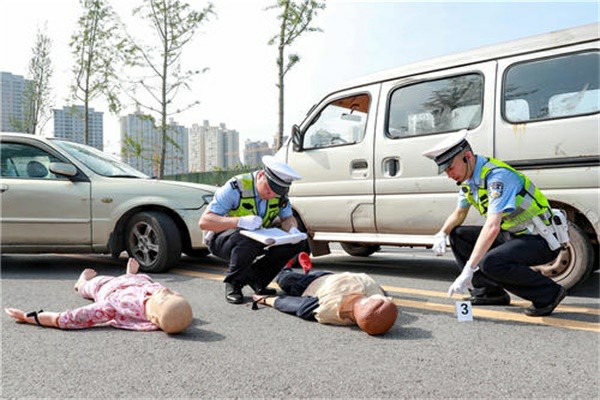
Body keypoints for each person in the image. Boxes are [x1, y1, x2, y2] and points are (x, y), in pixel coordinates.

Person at [422, 129, 568, 317]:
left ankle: (549, 293)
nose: (449, 175)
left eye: (450, 167)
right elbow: (459, 213)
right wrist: (442, 233)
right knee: (458, 235)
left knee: (490, 262)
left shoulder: (497, 177)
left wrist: (469, 269)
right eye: (445, 171)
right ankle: (489, 292)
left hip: (542, 238)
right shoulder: (468, 180)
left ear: (467, 157)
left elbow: (492, 227)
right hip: (515, 234)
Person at [199, 155, 307, 304]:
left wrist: (293, 230)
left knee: (298, 243)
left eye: (277, 193)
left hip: (260, 237)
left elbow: (287, 218)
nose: (271, 196)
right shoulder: (236, 187)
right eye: (269, 190)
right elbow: (205, 222)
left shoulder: (279, 194)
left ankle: (258, 280)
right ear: (261, 175)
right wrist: (240, 221)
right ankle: (234, 283)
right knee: (245, 239)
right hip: (222, 240)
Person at [4, 258, 193, 334]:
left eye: (165, 297)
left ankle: (81, 283)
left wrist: (29, 317)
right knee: (147, 280)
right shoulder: (158, 294)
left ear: (153, 318)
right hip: (139, 283)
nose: (167, 291)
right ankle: (130, 274)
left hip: (108, 287)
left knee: (91, 285)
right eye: (173, 293)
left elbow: (69, 319)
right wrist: (133, 278)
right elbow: (170, 298)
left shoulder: (114, 306)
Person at [252, 267, 398, 335]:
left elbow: (298, 307)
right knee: (299, 277)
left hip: (310, 285)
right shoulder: (373, 289)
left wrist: (266, 300)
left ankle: (286, 268)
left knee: (285, 280)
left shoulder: (330, 308)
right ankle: (305, 269)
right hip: (329, 277)